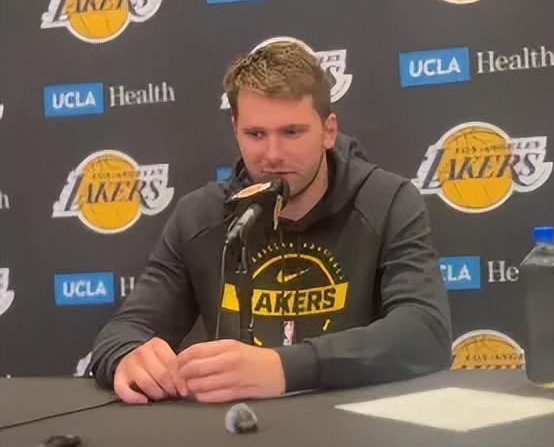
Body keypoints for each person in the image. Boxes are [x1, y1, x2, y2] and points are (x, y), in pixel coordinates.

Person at [90, 40, 452, 404]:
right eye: (256, 134)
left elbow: (425, 332)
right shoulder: (199, 215)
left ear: (328, 131)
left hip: (352, 422)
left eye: (292, 132)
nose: (273, 155)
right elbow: (124, 330)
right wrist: (127, 355)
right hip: (235, 425)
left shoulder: (387, 201)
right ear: (236, 130)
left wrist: (284, 368)